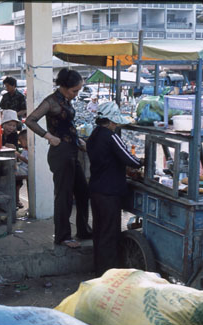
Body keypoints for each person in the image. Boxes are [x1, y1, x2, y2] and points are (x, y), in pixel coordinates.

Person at [25, 68, 92, 249]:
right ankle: (62, 236)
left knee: (83, 191)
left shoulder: (66, 100)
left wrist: (78, 141)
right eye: (74, 91)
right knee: (64, 196)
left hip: (72, 150)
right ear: (63, 86)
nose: (76, 94)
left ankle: (83, 229)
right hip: (60, 153)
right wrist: (49, 137)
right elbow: (30, 120)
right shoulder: (51, 101)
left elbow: (67, 125)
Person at [86, 102, 144, 276]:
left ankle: (99, 270)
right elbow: (128, 158)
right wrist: (141, 162)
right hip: (109, 191)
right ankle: (109, 274)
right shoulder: (110, 136)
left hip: (96, 189)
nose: (116, 125)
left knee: (100, 231)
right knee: (110, 234)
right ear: (110, 121)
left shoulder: (94, 135)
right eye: (115, 122)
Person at [15, 129, 28, 209]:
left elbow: (29, 161)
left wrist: (19, 156)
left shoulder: (30, 150)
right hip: (22, 167)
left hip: (26, 170)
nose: (20, 143)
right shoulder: (25, 149)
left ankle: (16, 200)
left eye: (21, 141)